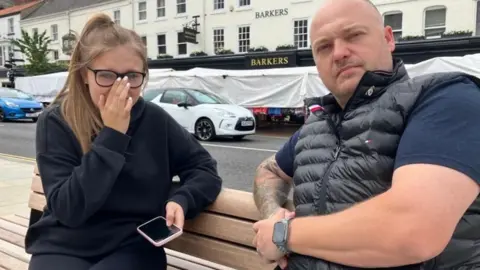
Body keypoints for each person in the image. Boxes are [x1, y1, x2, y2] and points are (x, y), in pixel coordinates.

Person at [252, 0, 480, 269]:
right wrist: (273, 214)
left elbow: (413, 230)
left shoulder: (445, 97)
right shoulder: (317, 123)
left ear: (388, 38)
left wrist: (283, 236)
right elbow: (269, 171)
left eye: (353, 35)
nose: (338, 53)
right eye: (323, 47)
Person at [25, 14, 222, 270]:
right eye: (106, 76)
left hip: (132, 244)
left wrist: (183, 198)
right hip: (64, 241)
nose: (121, 88)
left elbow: (204, 168)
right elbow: (68, 210)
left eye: (132, 76)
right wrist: (113, 136)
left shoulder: (154, 120)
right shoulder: (57, 120)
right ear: (85, 75)